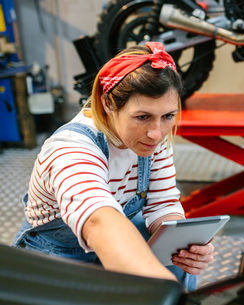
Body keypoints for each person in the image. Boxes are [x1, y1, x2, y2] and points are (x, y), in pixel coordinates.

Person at [12, 42, 213, 291]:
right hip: (58, 249)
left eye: (168, 116)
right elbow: (99, 222)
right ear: (108, 103)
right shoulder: (71, 148)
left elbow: (162, 203)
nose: (156, 133)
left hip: (117, 228)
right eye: (142, 116)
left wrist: (180, 244)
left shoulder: (152, 137)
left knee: (177, 266)